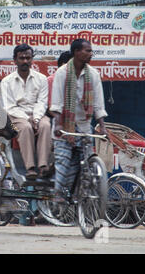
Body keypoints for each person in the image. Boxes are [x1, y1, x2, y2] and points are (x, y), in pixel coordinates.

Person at [50, 39, 108, 201]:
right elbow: (56, 103)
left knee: (87, 163)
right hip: (64, 125)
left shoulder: (94, 74)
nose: (91, 54)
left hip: (84, 126)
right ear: (76, 52)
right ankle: (58, 195)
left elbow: (98, 104)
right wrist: (59, 123)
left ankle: (81, 196)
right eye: (87, 51)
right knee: (63, 161)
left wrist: (102, 127)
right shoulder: (62, 73)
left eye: (91, 51)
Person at [0, 44, 51, 179]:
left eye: (28, 58)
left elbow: (42, 102)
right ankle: (30, 167)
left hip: (37, 113)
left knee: (45, 125)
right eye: (21, 58)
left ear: (32, 59)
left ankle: (43, 165)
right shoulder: (7, 81)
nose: (25, 61)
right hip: (16, 115)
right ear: (15, 60)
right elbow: (9, 107)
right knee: (26, 128)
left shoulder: (42, 79)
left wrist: (36, 118)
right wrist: (28, 119)